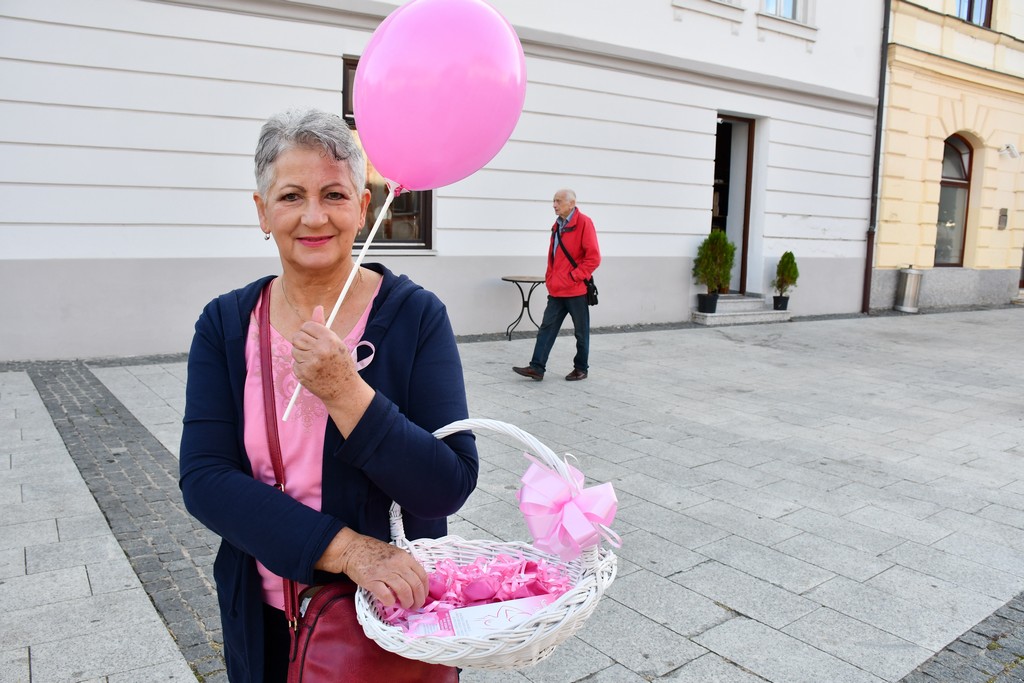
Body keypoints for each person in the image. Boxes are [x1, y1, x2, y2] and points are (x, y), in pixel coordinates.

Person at [178, 108, 479, 682]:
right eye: (291, 196)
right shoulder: (225, 324)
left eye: (334, 195)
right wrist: (346, 550)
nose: (313, 216)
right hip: (263, 617)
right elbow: (205, 478)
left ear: (363, 207)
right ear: (262, 211)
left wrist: (345, 392)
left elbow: (446, 486)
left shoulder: (416, 316)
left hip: (387, 623)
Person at [513, 189, 601, 381]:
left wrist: (574, 276)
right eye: (553, 201)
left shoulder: (584, 223)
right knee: (547, 328)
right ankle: (537, 367)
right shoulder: (557, 225)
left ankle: (581, 368)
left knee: (581, 332)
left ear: (572, 203)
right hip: (557, 290)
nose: (554, 205)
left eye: (558, 201)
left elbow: (593, 258)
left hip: (576, 290)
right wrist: (551, 278)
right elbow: (554, 257)